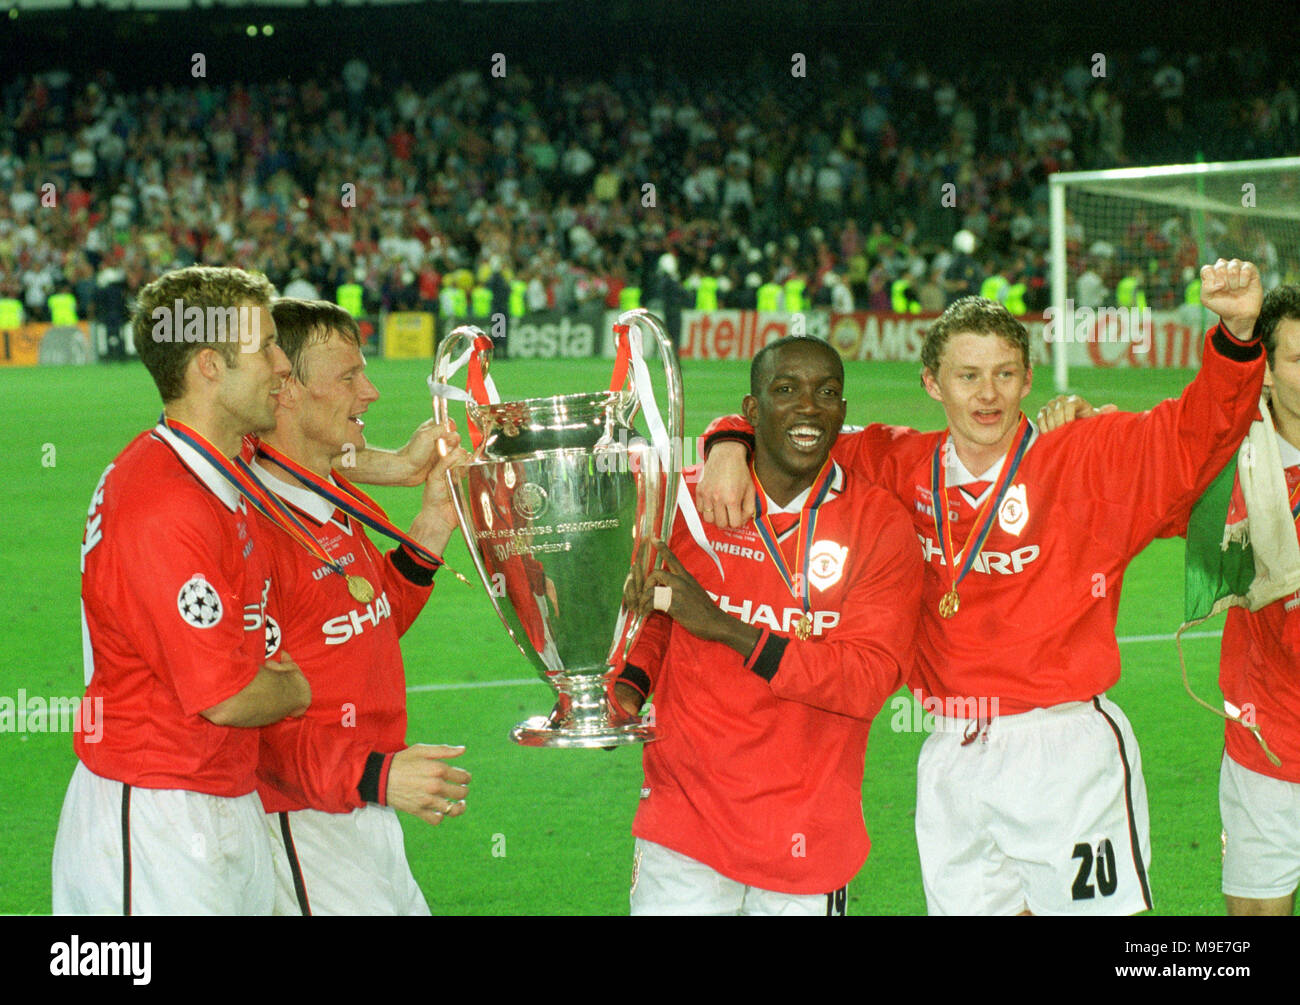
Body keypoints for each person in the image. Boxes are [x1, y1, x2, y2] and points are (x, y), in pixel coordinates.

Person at [695, 259, 1267, 915]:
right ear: (933, 383)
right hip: (952, 752)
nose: (987, 393)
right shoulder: (895, 464)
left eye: (1003, 374)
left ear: (1028, 378)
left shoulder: (1083, 455)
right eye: (968, 375)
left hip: (1066, 750)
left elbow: (1195, 433)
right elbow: (794, 436)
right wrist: (728, 440)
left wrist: (1237, 333)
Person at [611, 335, 922, 916]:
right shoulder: (689, 499)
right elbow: (656, 609)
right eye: (787, 390)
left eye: (827, 393)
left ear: (843, 414)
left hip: (807, 834)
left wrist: (727, 627)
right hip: (685, 821)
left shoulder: (879, 527)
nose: (809, 407)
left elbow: (866, 681)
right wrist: (626, 684)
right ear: (751, 412)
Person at [52, 266, 311, 915]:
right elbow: (225, 696)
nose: (283, 364)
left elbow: (307, 456)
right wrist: (293, 687)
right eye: (266, 347)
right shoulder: (163, 503)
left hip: (222, 793)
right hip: (159, 818)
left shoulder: (216, 463)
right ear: (208, 366)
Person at [249, 299, 472, 915]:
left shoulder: (332, 493)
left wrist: (432, 521)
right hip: (305, 819)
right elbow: (244, 722)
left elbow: (369, 623)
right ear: (284, 388)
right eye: (348, 376)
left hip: (363, 809)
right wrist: (377, 775)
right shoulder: (251, 529)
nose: (370, 392)